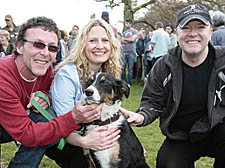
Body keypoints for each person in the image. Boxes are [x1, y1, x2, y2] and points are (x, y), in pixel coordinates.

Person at [0, 16, 119, 168]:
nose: (44, 53)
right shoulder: (3, 76)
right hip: (15, 127)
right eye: (37, 44)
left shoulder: (45, 69)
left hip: (11, 123)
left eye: (52, 48)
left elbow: (48, 96)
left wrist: (46, 98)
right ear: (19, 46)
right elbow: (27, 133)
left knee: (42, 124)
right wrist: (75, 120)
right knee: (42, 130)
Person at [120, 4, 225, 168]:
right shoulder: (164, 65)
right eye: (186, 28)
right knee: (167, 164)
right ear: (176, 33)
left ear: (211, 32)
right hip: (182, 136)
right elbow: (152, 101)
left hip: (219, 131)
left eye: (200, 27)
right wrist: (141, 116)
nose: (193, 33)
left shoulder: (222, 61)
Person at [50, 18, 122, 167]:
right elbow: (62, 123)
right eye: (93, 41)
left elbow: (106, 106)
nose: (100, 46)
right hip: (66, 140)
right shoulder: (67, 74)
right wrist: (84, 142)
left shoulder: (104, 73)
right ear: (83, 45)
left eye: (105, 40)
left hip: (90, 131)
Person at [121, 19, 139, 86]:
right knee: (123, 67)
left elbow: (132, 39)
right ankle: (123, 82)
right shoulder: (124, 32)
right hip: (124, 51)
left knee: (130, 68)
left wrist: (125, 40)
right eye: (125, 23)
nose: (126, 24)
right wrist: (128, 40)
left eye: (127, 23)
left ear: (130, 24)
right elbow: (121, 41)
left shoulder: (135, 31)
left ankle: (129, 83)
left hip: (131, 52)